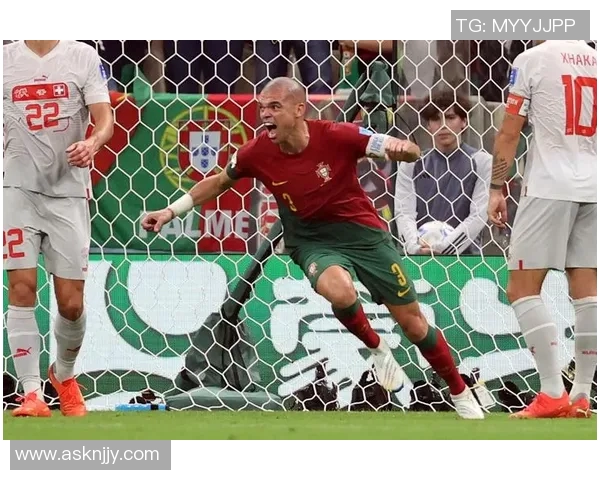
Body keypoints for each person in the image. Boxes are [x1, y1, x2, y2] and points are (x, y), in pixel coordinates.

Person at [143, 77, 485, 419]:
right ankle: (377, 348)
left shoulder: (336, 135)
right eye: (262, 107)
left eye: (275, 107)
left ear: (299, 109)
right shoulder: (256, 152)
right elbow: (219, 182)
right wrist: (171, 211)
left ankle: (459, 391)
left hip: (364, 235)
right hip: (311, 240)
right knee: (340, 291)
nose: (265, 114)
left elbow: (401, 148)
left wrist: (404, 149)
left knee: (413, 324)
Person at [3, 40, 114, 417]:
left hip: (68, 192)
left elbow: (105, 119)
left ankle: (63, 375)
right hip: (16, 190)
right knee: (21, 287)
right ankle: (31, 394)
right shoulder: (5, 59)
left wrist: (93, 142)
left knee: (71, 303)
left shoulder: (82, 55)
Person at [488, 40, 596, 418]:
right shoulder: (595, 59)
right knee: (587, 292)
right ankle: (581, 395)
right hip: (593, 187)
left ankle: (551, 392)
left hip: (549, 186)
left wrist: (496, 187)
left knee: (521, 288)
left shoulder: (531, 59)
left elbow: (509, 132)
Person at [395, 89, 492, 255]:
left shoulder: (482, 162)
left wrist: (444, 249)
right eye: (435, 119)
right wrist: (415, 249)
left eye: (450, 117)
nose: (443, 125)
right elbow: (404, 213)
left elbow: (478, 216)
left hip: (467, 260)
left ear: (464, 121)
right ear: (428, 125)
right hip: (420, 257)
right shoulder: (411, 164)